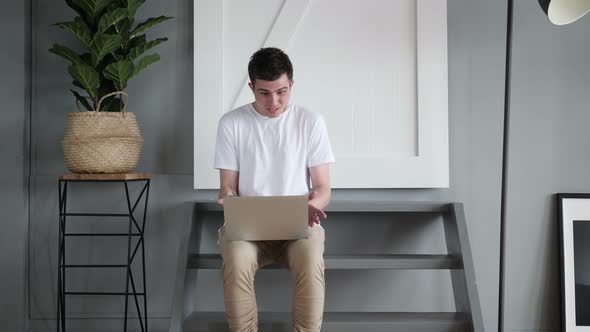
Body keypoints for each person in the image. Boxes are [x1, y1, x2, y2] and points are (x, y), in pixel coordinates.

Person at [213, 47, 335, 332]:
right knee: (236, 259)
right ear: (251, 88)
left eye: (281, 91)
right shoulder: (232, 123)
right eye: (264, 93)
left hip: (299, 225)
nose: (274, 102)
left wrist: (315, 203)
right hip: (248, 230)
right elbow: (227, 188)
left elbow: (323, 187)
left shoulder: (311, 122)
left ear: (291, 84)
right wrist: (230, 202)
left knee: (311, 259)